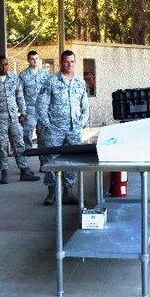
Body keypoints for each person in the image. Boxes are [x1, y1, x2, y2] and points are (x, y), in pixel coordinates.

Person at [35, 50, 89, 206]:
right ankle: (52, 192)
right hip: (54, 130)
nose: (69, 64)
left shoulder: (80, 82)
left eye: (72, 62)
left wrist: (80, 123)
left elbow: (85, 106)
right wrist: (48, 126)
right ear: (61, 62)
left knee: (72, 160)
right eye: (66, 61)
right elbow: (41, 106)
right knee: (51, 159)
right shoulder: (51, 81)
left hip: (73, 130)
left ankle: (68, 192)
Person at [0, 55, 40, 184]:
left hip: (13, 118)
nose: (4, 67)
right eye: (2, 64)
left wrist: (23, 113)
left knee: (19, 143)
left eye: (6, 64)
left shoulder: (14, 78)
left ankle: (24, 170)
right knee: (0, 146)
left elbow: (20, 96)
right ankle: (4, 172)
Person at [18, 50, 50, 148]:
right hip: (29, 111)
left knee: (44, 138)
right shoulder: (23, 75)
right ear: (28, 60)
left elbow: (49, 93)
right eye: (32, 59)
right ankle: (26, 158)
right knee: (26, 135)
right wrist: (22, 113)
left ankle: (44, 161)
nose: (35, 61)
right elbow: (19, 95)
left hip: (43, 111)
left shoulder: (45, 74)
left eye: (36, 59)